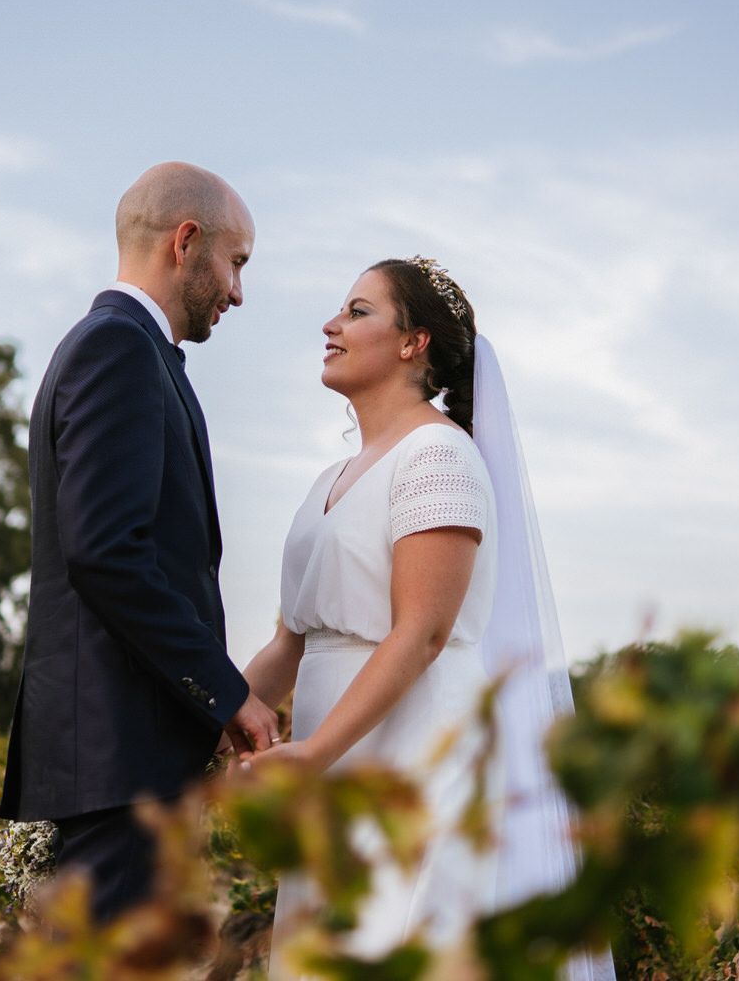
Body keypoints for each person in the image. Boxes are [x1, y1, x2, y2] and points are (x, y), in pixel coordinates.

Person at [241, 257, 617, 979]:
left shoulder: (440, 456)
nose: (331, 324)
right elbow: (291, 640)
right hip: (333, 758)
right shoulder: (330, 479)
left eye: (357, 311)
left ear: (414, 344)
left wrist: (313, 755)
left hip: (413, 757)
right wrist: (214, 713)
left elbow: (422, 633)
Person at [0, 162, 280, 924]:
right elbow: (106, 552)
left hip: (119, 756)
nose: (237, 292)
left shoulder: (124, 350)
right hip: (118, 755)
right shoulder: (117, 349)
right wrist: (224, 690)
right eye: (237, 262)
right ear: (186, 241)